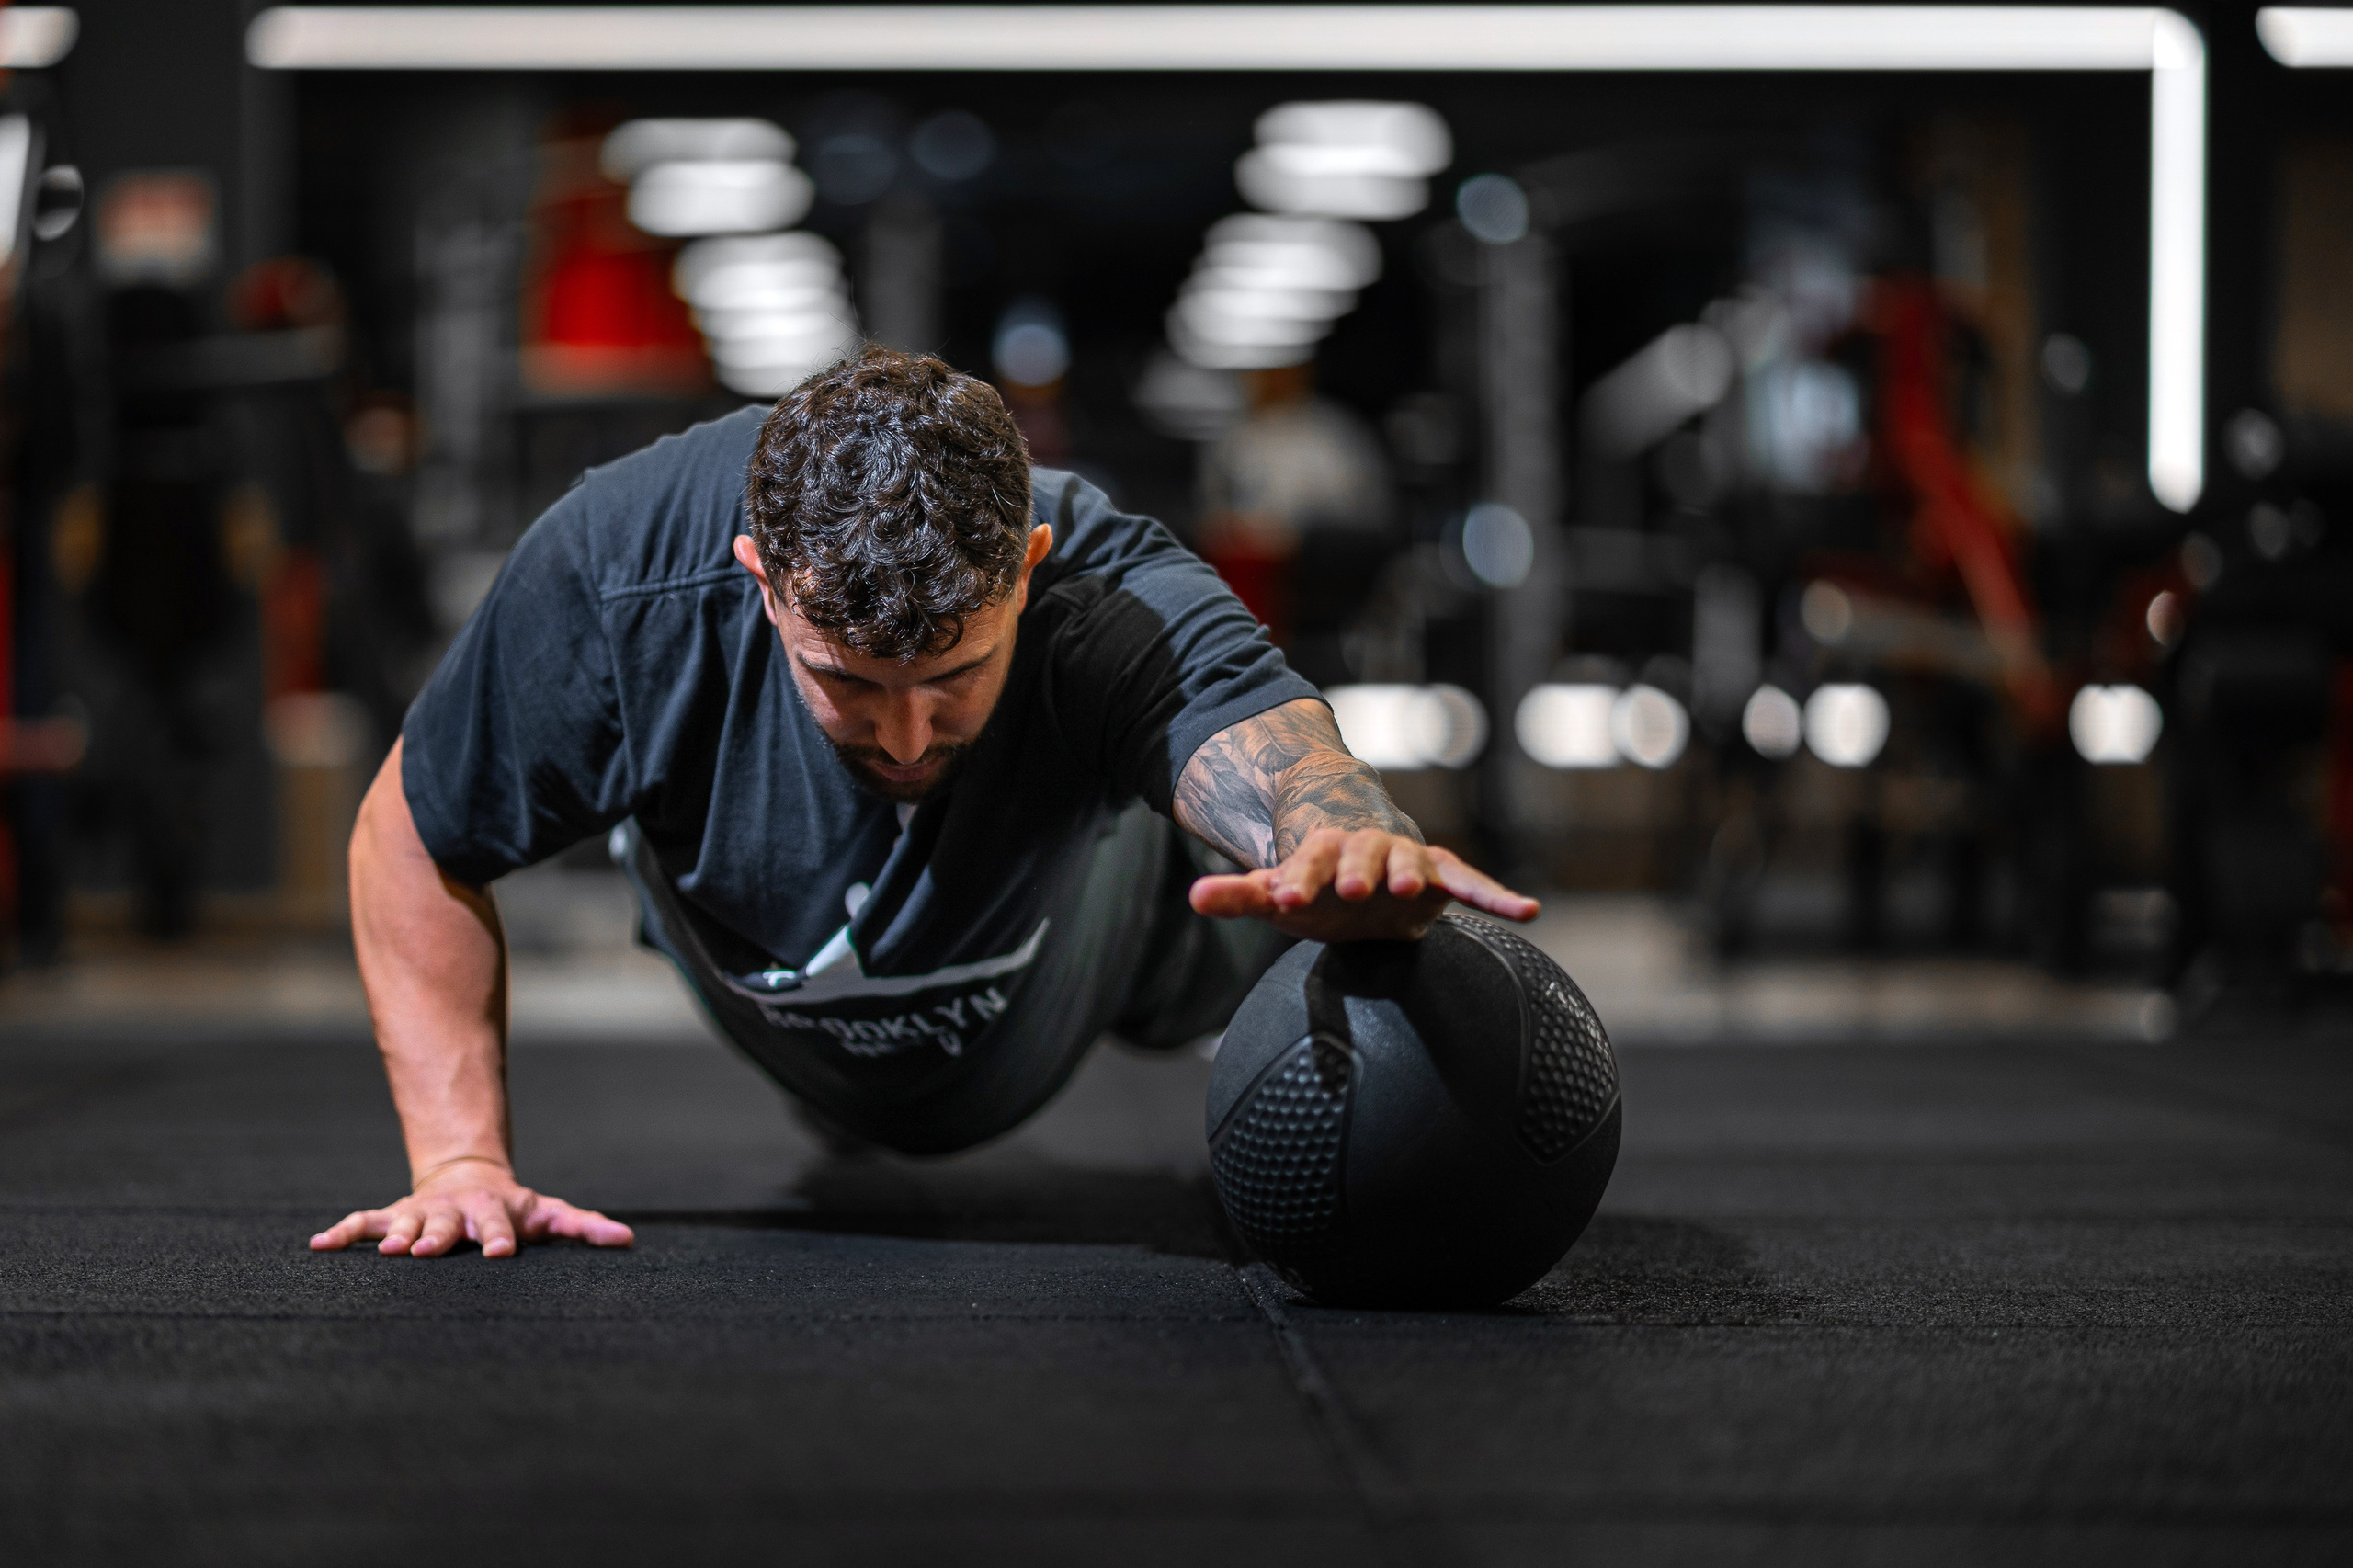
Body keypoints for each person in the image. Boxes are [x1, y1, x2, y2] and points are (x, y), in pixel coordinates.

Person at [311, 347, 1536, 1260]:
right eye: (849, 681)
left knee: (1219, 897)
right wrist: (461, 1159)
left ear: (1031, 567)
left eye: (953, 676)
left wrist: (1341, 838)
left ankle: (1158, 927)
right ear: (759, 578)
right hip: (771, 959)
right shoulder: (621, 576)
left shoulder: (1106, 584)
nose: (906, 736)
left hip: (1079, 942)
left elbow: (1280, 755)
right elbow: (414, 833)